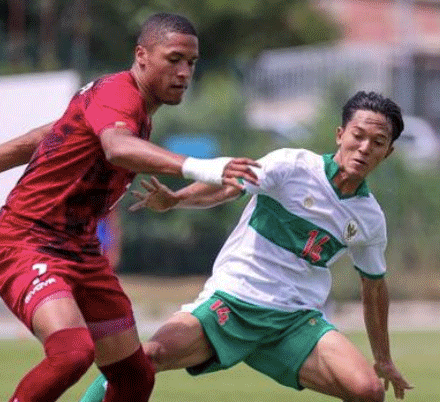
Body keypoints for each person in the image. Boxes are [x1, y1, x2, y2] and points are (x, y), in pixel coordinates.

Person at [0, 13, 259, 402]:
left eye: (191, 63)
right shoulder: (117, 93)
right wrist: (204, 168)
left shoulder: (131, 111)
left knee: (134, 377)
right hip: (27, 243)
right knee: (72, 354)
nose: (184, 72)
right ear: (141, 55)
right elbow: (117, 148)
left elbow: (40, 138)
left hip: (82, 253)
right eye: (173, 59)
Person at [79, 91, 413, 402]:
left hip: (294, 322)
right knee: (145, 359)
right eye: (359, 136)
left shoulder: (369, 219)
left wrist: (383, 359)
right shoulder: (292, 166)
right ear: (340, 134)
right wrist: (177, 200)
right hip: (234, 303)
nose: (365, 147)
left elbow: (373, 286)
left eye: (378, 142)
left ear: (389, 151)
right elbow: (230, 187)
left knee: (368, 391)